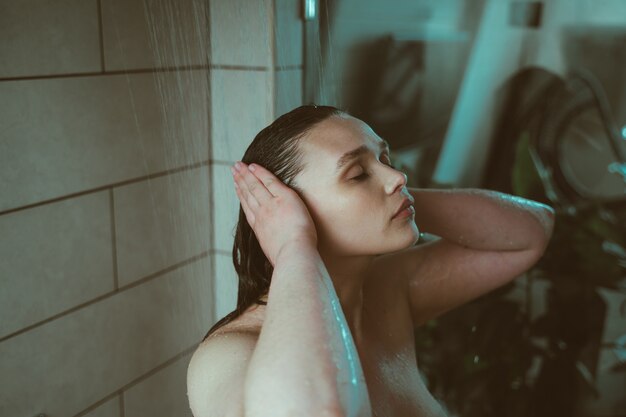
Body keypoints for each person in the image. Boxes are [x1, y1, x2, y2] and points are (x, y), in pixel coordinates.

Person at [186, 104, 555, 417]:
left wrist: (399, 200)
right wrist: (293, 245)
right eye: (358, 174)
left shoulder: (384, 291)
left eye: (384, 158)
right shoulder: (227, 356)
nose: (398, 176)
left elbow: (528, 236)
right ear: (292, 211)